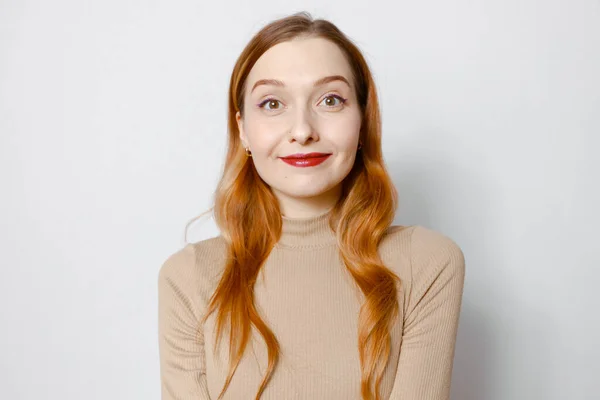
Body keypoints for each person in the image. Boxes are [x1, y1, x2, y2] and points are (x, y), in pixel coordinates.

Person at [158, 11, 465, 400]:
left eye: (330, 99)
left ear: (362, 122)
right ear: (243, 130)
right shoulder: (189, 277)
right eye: (272, 104)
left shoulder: (427, 263)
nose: (303, 130)